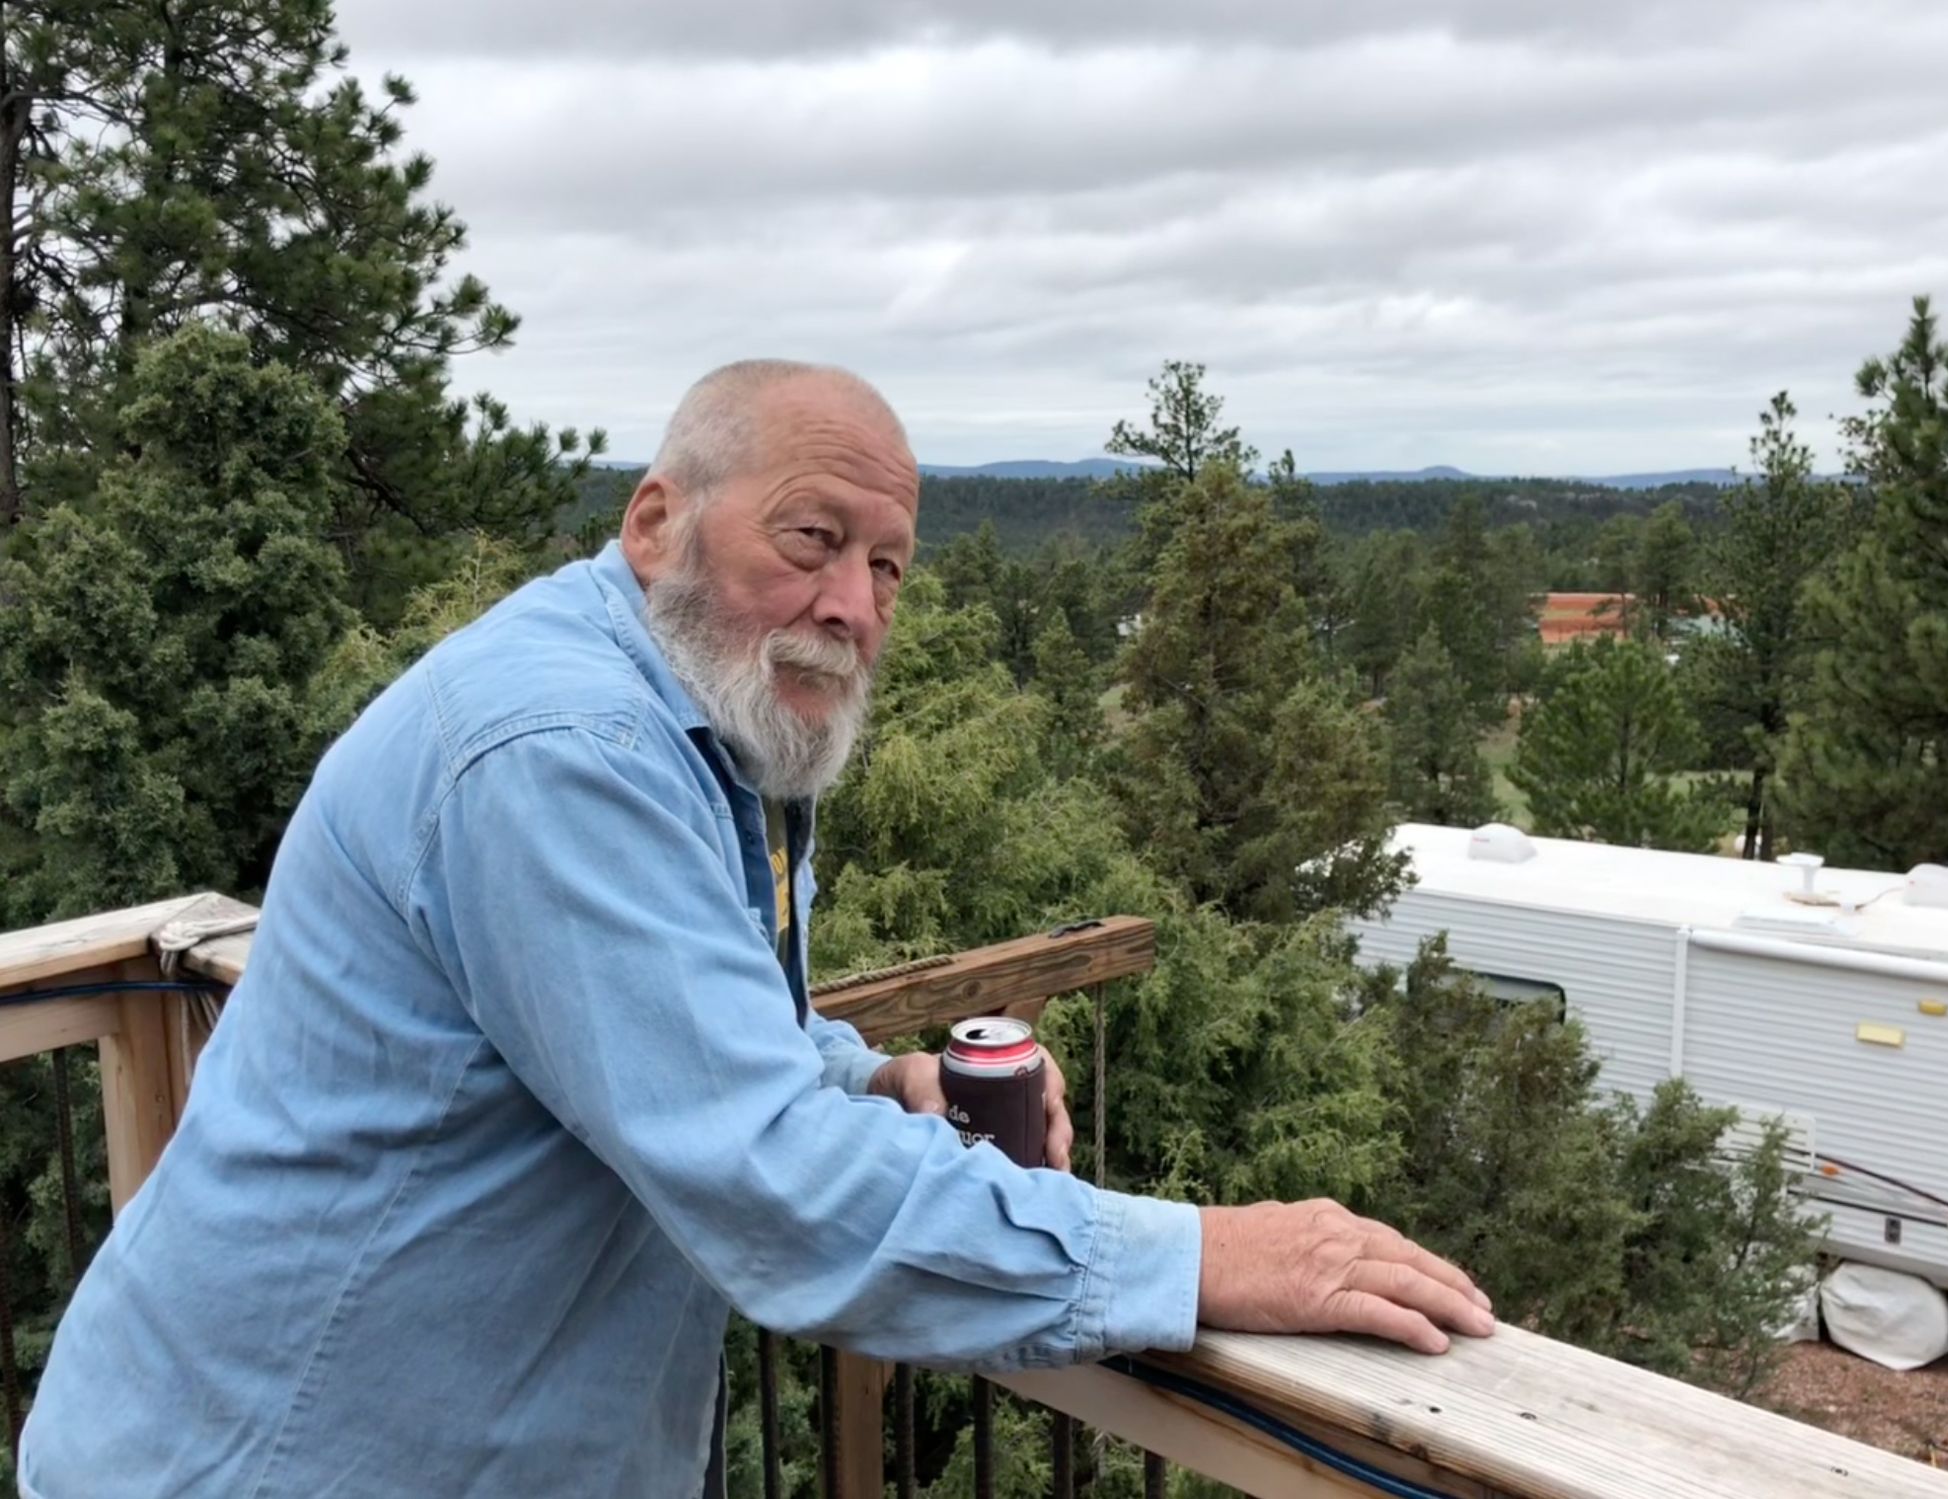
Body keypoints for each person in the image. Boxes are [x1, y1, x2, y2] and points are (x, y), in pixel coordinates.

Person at [21, 360, 1492, 1498]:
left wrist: (877, 1080)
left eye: (889, 566)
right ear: (656, 519)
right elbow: (774, 1187)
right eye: (811, 537)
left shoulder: (697, 718)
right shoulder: (559, 753)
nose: (851, 604)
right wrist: (1196, 1256)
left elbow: (688, 1039)